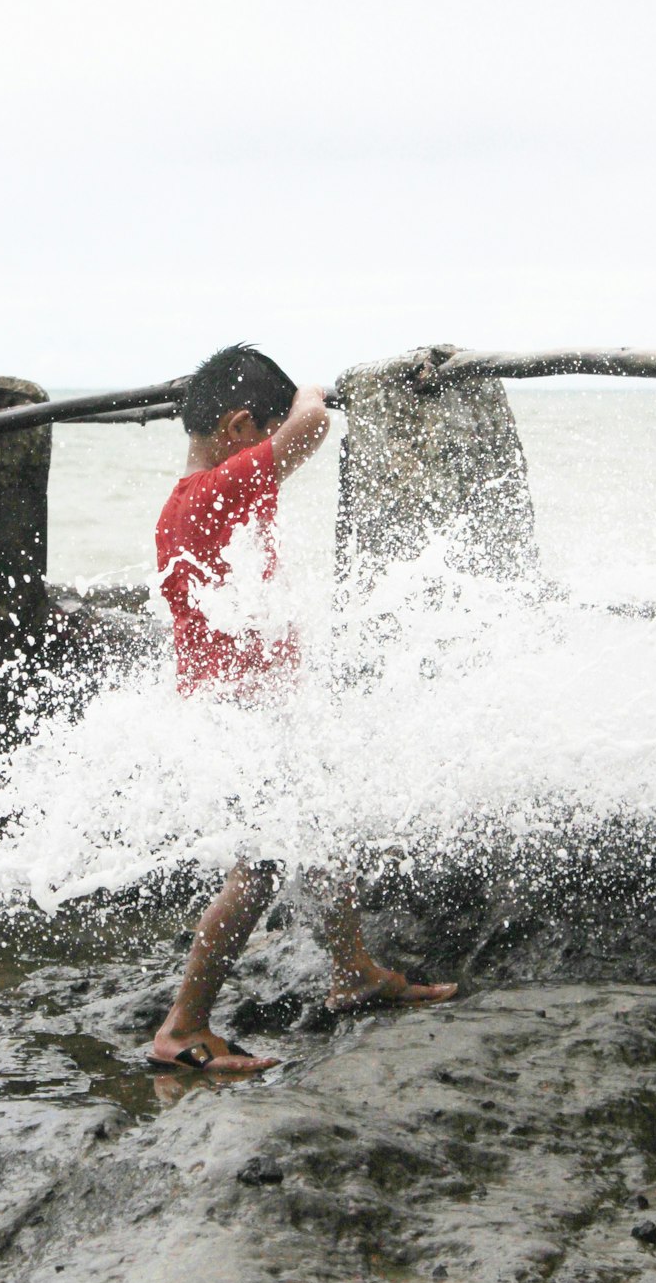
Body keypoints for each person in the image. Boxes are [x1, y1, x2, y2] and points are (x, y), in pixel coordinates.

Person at [150, 344, 456, 1074]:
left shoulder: (205, 490)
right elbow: (310, 429)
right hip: (235, 716)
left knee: (320, 826)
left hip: (249, 706)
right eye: (263, 429)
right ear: (239, 425)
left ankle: (353, 972)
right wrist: (319, 393)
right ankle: (182, 1028)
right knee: (256, 869)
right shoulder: (211, 493)